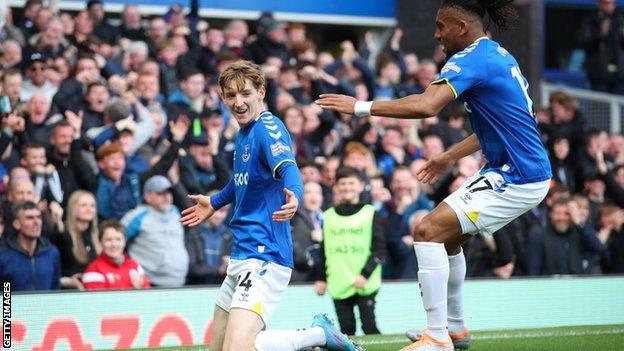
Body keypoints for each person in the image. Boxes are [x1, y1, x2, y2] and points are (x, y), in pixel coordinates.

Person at [316, 1, 552, 350]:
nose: (436, 34)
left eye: (441, 26)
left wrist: (361, 107)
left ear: (460, 27)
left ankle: (437, 336)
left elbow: (427, 105)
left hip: (519, 176)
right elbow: (501, 126)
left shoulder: (471, 59)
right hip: (515, 170)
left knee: (426, 231)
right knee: (447, 237)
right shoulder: (497, 55)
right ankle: (453, 329)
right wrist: (448, 155)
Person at [180, 60, 359, 351]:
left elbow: (289, 168)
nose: (238, 102)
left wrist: (296, 196)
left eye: (246, 94)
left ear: (261, 92)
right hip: (242, 253)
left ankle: (317, 335)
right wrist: (214, 201)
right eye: (231, 96)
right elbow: (242, 182)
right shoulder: (244, 133)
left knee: (237, 349)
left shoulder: (267, 126)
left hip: (266, 254)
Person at [314, 167, 385, 336]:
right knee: (346, 330)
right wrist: (321, 278)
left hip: (365, 283)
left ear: (360, 185)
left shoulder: (369, 212)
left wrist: (364, 274)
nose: (347, 187)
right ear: (336, 187)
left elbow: (379, 248)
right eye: (342, 183)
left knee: (369, 326)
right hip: (339, 282)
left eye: (351, 183)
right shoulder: (329, 215)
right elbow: (324, 250)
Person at [0, 201, 61, 291]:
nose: (36, 222)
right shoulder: (4, 255)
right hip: (13, 305)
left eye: (39, 217)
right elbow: (5, 292)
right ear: (17, 224)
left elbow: (55, 289)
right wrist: (8, 305)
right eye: (30, 218)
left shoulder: (51, 253)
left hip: (46, 305)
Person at [82, 219, 150, 290]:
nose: (114, 244)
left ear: (125, 241)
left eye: (118, 239)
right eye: (108, 239)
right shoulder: (94, 270)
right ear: (100, 242)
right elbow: (96, 300)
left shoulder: (134, 265)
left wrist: (140, 288)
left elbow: (149, 296)